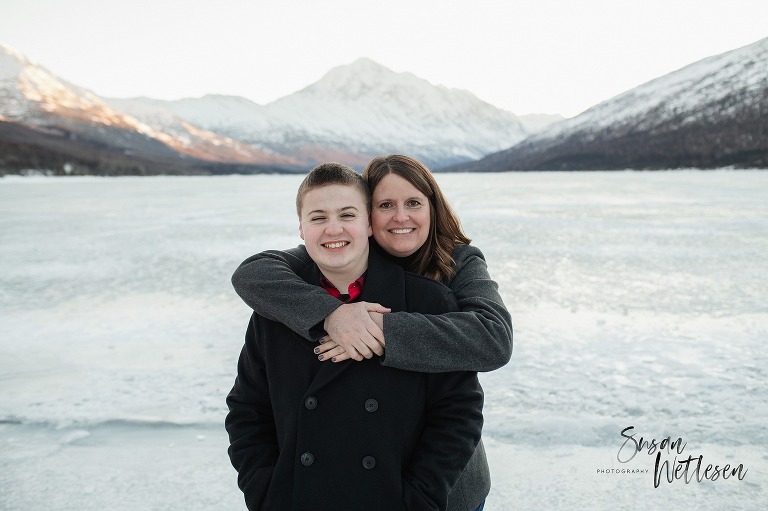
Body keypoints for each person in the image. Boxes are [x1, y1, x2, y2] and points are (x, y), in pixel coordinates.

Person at [232, 154, 512, 511]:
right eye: (385, 205)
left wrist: (376, 328)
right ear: (371, 218)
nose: (400, 217)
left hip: (445, 491)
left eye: (413, 203)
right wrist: (332, 315)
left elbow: (492, 341)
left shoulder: (455, 269)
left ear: (433, 207)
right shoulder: (307, 272)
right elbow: (250, 274)